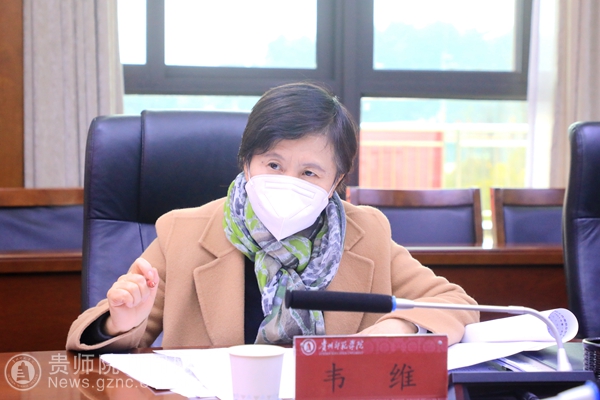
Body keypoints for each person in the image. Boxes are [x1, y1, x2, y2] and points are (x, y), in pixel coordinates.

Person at [66, 82, 479, 352]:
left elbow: (456, 305)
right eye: (274, 165)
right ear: (246, 162)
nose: (287, 182)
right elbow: (89, 340)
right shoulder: (183, 232)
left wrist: (401, 329)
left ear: (336, 182)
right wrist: (120, 323)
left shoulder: (365, 232)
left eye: (310, 173)